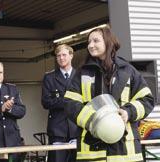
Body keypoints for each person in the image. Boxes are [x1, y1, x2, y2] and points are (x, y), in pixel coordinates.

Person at [64, 26, 154, 162]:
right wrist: (95, 120)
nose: (91, 45)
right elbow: (69, 104)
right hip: (92, 151)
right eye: (89, 42)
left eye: (95, 41)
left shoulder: (128, 70)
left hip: (125, 151)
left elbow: (146, 99)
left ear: (108, 42)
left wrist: (128, 112)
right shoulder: (82, 73)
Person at [41, 44, 79, 162]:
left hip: (76, 127)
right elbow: (46, 102)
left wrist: (61, 100)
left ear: (71, 56)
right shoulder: (49, 77)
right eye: (58, 56)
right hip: (57, 129)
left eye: (64, 55)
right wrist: (68, 100)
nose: (61, 58)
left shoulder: (80, 76)